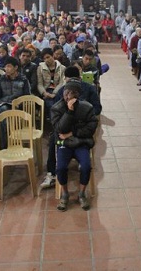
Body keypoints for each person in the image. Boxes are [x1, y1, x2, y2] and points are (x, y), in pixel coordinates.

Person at [51, 79, 98, 211]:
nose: (69, 96)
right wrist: (70, 112)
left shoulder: (87, 107)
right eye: (66, 92)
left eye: (72, 93)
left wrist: (72, 133)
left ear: (78, 95)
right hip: (64, 144)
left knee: (86, 166)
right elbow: (60, 129)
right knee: (60, 168)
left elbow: (91, 127)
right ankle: (65, 193)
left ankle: (82, 193)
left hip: (81, 143)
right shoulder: (56, 108)